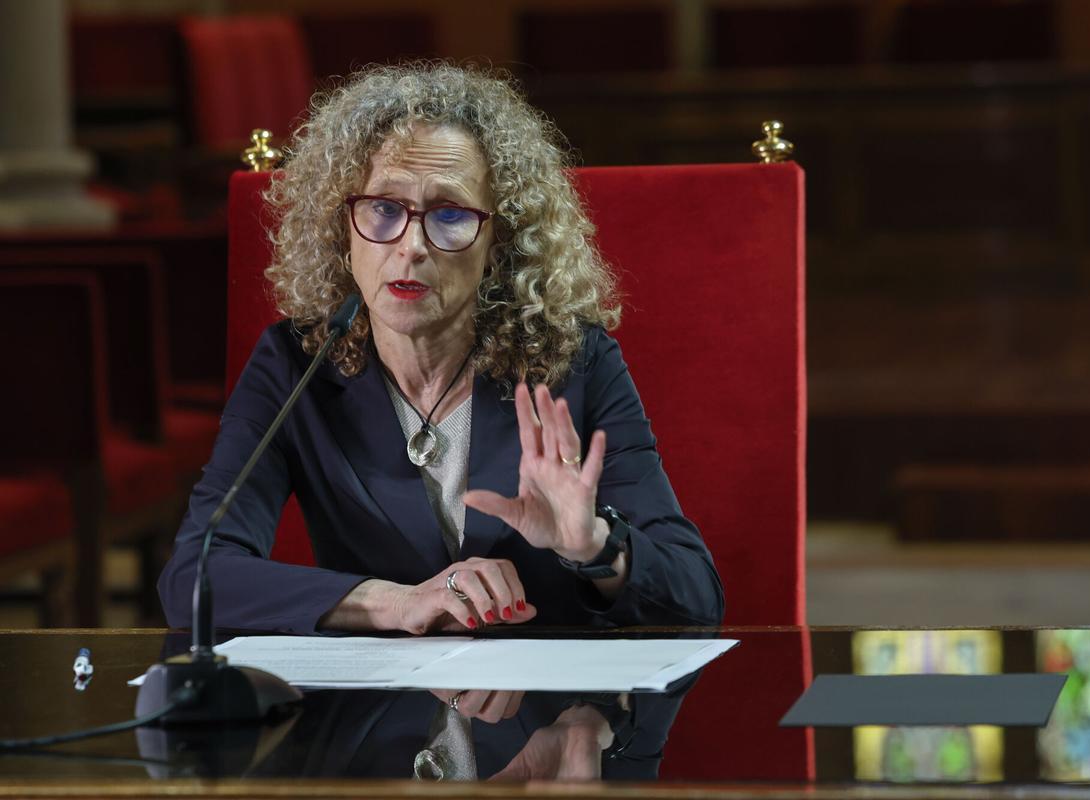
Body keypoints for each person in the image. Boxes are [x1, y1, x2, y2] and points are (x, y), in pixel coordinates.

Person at [158, 62, 724, 635]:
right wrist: (396, 603)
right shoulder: (297, 363)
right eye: (384, 208)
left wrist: (594, 547)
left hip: (548, 712)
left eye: (449, 215)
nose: (411, 247)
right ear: (342, 230)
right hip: (374, 719)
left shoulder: (574, 363)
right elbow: (193, 580)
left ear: (499, 243)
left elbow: (696, 595)